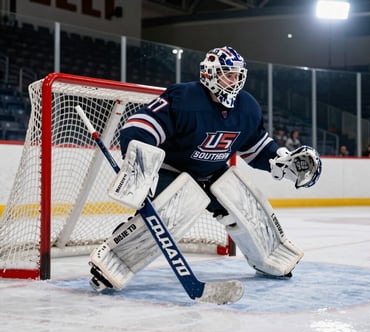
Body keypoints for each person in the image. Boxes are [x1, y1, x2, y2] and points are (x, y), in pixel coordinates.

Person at [89, 46, 322, 293]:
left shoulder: (247, 107)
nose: (233, 80)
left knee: (245, 204)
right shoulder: (185, 97)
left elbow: (255, 146)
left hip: (213, 172)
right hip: (174, 169)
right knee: (171, 211)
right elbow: (141, 125)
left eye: (236, 75)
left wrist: (279, 160)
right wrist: (139, 165)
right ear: (209, 73)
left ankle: (269, 258)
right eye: (226, 74)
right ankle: (114, 261)